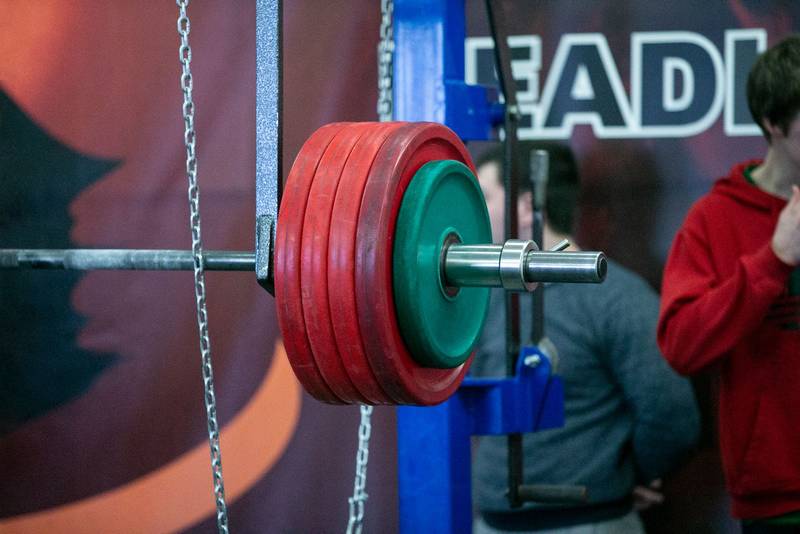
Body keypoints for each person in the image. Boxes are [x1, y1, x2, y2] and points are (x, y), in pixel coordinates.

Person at [471, 142, 700, 533]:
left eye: (486, 197)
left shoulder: (617, 298)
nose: (473, 211)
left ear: (526, 206)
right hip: (493, 524)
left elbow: (672, 417)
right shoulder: (485, 297)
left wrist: (623, 476)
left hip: (589, 523)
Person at [657, 35, 800, 532]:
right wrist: (773, 261)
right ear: (773, 123)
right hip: (777, 497)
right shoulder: (715, 218)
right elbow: (680, 344)